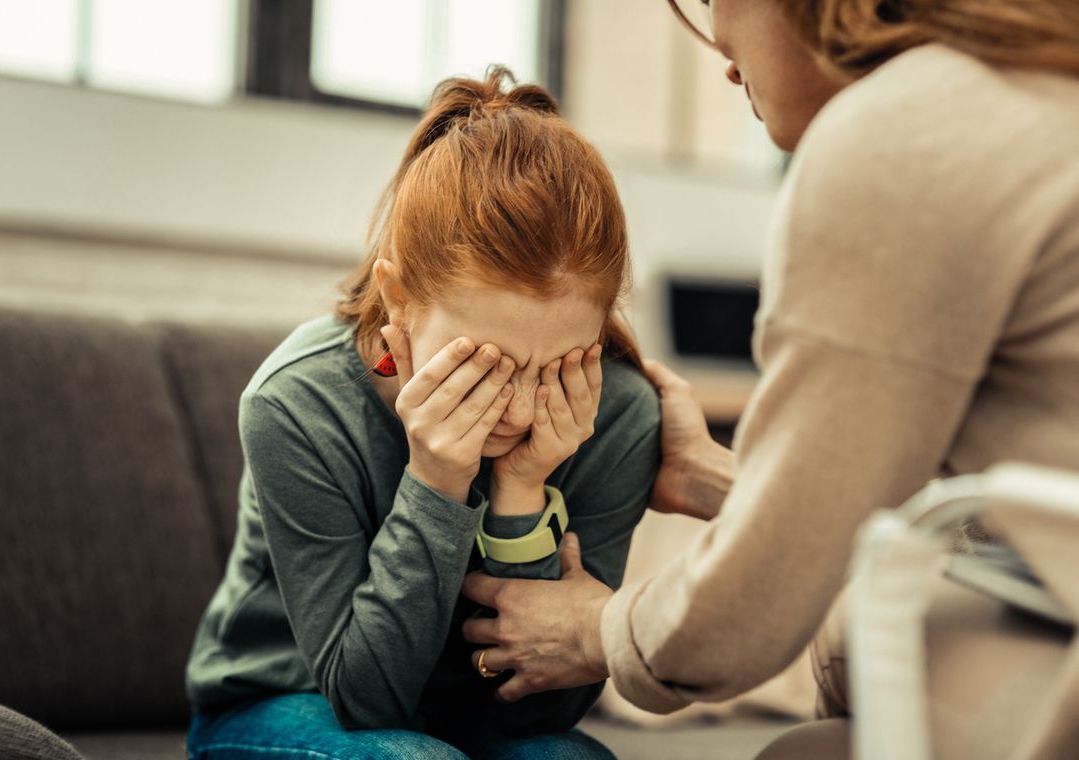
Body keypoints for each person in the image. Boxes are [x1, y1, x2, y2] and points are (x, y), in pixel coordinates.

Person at [461, 1, 1079, 757]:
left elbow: (747, 621)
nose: (722, 53)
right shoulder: (1042, 88)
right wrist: (725, 480)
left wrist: (595, 629)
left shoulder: (902, 133)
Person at [183, 68, 661, 760]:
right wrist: (438, 479)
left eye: (559, 364)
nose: (522, 407)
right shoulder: (296, 404)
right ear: (398, 297)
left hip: (475, 722)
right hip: (283, 701)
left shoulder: (617, 415)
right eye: (484, 365)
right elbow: (366, 699)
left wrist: (522, 500)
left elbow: (541, 715)